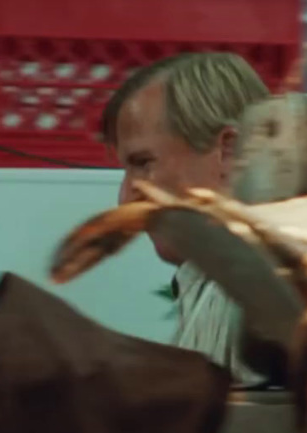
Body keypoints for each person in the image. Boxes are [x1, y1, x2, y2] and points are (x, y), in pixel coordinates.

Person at [100, 52, 270, 387]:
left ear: (230, 152)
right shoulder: (210, 282)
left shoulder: (258, 297)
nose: (125, 198)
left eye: (143, 163)